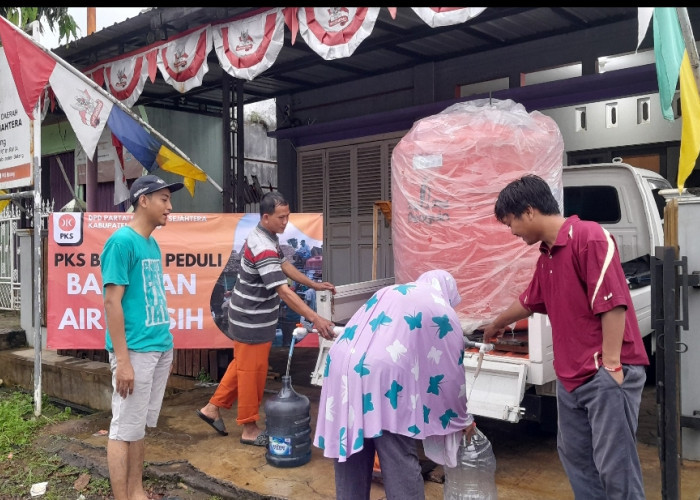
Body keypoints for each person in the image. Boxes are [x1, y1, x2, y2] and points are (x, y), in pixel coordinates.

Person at [482, 174, 649, 500]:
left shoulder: (589, 237)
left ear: (529, 211)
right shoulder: (547, 256)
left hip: (605, 372)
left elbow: (612, 303)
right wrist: (496, 324)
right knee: (576, 458)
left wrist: (612, 366)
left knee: (616, 467)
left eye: (511, 223)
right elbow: (530, 300)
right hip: (572, 378)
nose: (512, 232)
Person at [314, 269, 475, 500]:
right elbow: (451, 373)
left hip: (342, 367)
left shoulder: (388, 292)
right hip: (383, 377)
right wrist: (463, 418)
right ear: (448, 292)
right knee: (397, 454)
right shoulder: (441, 308)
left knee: (350, 452)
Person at [197, 191, 337, 445]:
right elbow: (283, 290)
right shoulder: (262, 246)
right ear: (266, 217)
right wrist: (316, 319)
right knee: (253, 372)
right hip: (251, 321)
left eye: (288, 217)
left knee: (242, 365)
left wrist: (313, 285)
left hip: (248, 316)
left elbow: (285, 266)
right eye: (281, 217)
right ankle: (249, 429)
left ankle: (212, 408)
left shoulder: (267, 235)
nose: (286, 222)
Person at [100, 174, 184, 500]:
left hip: (157, 348)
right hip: (134, 352)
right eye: (163, 199)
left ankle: (136, 492)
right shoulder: (121, 242)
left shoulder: (150, 243)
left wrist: (166, 346)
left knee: (138, 428)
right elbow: (111, 301)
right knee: (123, 430)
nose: (170, 206)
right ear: (143, 200)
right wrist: (123, 362)